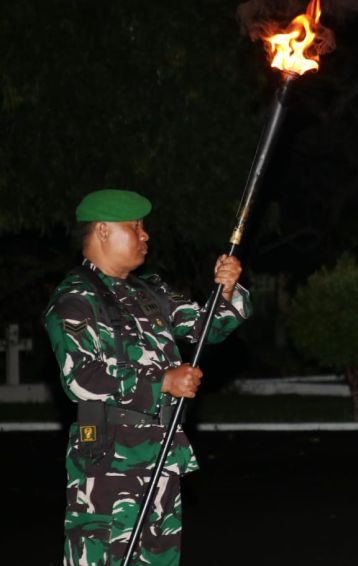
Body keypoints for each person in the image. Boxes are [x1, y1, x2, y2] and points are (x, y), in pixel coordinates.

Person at [43, 189, 251, 565]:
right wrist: (163, 383)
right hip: (109, 465)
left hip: (161, 453)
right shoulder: (75, 299)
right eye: (135, 227)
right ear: (103, 231)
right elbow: (81, 376)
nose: (145, 235)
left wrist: (228, 288)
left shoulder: (148, 292)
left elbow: (207, 329)